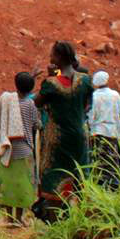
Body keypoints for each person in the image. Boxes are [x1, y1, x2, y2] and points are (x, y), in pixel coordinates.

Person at [33, 41, 94, 209]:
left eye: (52, 54)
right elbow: (87, 105)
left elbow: (36, 103)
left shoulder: (51, 84)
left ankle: (55, 217)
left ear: (59, 57)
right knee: (78, 172)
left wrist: (48, 77)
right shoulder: (86, 80)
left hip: (58, 138)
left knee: (54, 175)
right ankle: (78, 214)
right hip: (80, 135)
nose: (50, 57)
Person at [0, 75, 38, 225]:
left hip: (6, 149)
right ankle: (19, 218)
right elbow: (36, 124)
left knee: (7, 184)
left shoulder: (6, 102)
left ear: (16, 85)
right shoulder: (30, 104)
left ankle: (9, 217)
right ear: (31, 88)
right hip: (24, 149)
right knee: (22, 184)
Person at [87, 71, 120, 187]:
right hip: (112, 131)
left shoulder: (94, 96)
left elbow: (91, 115)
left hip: (98, 131)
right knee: (112, 158)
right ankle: (114, 184)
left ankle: (100, 183)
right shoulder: (115, 95)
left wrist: (90, 128)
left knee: (99, 158)